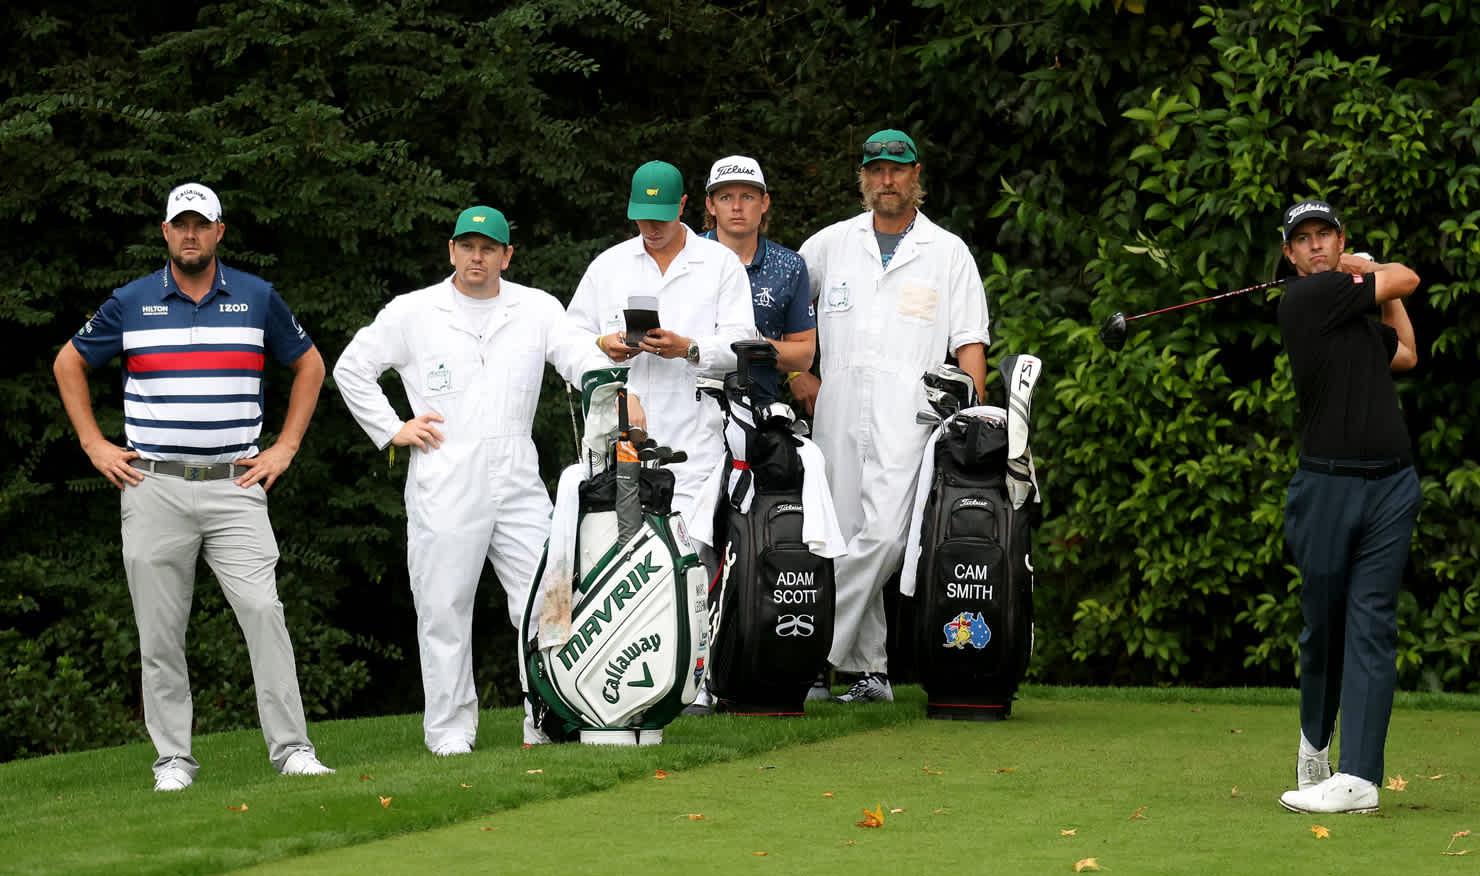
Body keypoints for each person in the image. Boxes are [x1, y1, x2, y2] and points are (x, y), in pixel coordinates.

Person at [52, 182, 334, 791]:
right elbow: (68, 361)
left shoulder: (257, 297)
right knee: (159, 630)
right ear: (164, 232)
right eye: (179, 225)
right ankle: (174, 760)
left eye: (200, 225)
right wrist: (93, 444)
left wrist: (284, 448)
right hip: (153, 484)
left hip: (236, 483)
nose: (189, 235)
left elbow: (309, 363)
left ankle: (292, 750)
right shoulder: (130, 302)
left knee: (264, 612)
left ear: (218, 232)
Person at [333, 206, 609, 754]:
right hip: (445, 470)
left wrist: (610, 381)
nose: (476, 257)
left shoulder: (537, 308)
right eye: (467, 246)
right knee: (442, 606)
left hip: (517, 472)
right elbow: (352, 367)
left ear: (508, 256)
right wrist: (392, 429)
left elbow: (578, 357)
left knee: (548, 599)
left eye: (488, 248)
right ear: (451, 250)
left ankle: (550, 718)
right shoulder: (414, 312)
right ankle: (450, 732)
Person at [795, 129, 991, 703]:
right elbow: (787, 316)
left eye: (897, 170)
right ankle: (871, 672)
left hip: (913, 417)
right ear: (863, 176)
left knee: (885, 537)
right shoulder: (829, 245)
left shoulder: (947, 252)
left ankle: (810, 651)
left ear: (916, 176)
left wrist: (971, 419)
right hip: (835, 412)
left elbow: (970, 343)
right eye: (876, 170)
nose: (887, 180)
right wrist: (796, 375)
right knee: (840, 538)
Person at [1272, 199, 1422, 815]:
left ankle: (1358, 777)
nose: (1314, 247)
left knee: (1371, 623)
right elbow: (1406, 274)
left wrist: (1374, 285)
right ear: (1289, 256)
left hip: (1391, 485)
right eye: (1301, 240)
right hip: (1326, 486)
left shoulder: (1353, 308)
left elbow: (1406, 352)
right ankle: (1315, 741)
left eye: (1324, 236)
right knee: (1323, 625)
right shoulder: (1305, 300)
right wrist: (1371, 269)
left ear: (1339, 240)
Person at [566, 160, 755, 540]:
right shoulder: (609, 265)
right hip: (616, 441)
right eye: (642, 218)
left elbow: (743, 346)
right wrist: (603, 347)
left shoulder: (720, 264)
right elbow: (567, 340)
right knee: (618, 554)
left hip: (694, 442)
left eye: (662, 218)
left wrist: (689, 348)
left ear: (683, 205)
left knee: (691, 556)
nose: (651, 228)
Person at [701, 155, 817, 399]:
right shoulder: (687, 257)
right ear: (711, 205)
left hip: (759, 410)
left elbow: (804, 354)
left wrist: (756, 345)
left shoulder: (788, 265)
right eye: (725, 197)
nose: (736, 207)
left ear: (764, 203)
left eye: (747, 197)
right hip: (693, 407)